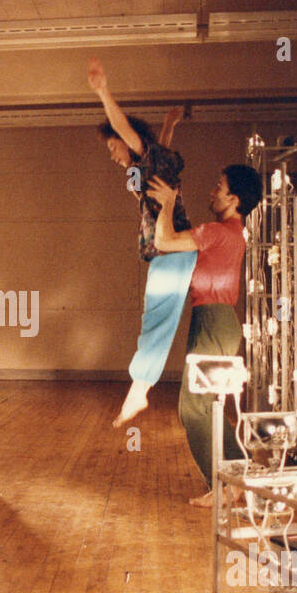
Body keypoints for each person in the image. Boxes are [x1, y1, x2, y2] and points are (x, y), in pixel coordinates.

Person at [87, 56, 195, 427]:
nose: (113, 155)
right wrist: (169, 124)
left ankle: (140, 390)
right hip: (168, 252)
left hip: (173, 250)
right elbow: (158, 151)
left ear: (126, 140)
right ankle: (140, 387)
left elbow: (126, 130)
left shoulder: (143, 155)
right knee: (155, 320)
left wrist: (104, 92)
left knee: (158, 323)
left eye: (113, 147)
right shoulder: (150, 164)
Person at [148, 165, 261, 507]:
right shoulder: (230, 233)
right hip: (213, 320)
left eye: (218, 186)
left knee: (193, 408)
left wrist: (168, 204)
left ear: (234, 198)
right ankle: (237, 477)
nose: (212, 192)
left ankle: (225, 484)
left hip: (214, 320)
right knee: (208, 406)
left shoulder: (219, 232)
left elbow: (163, 241)